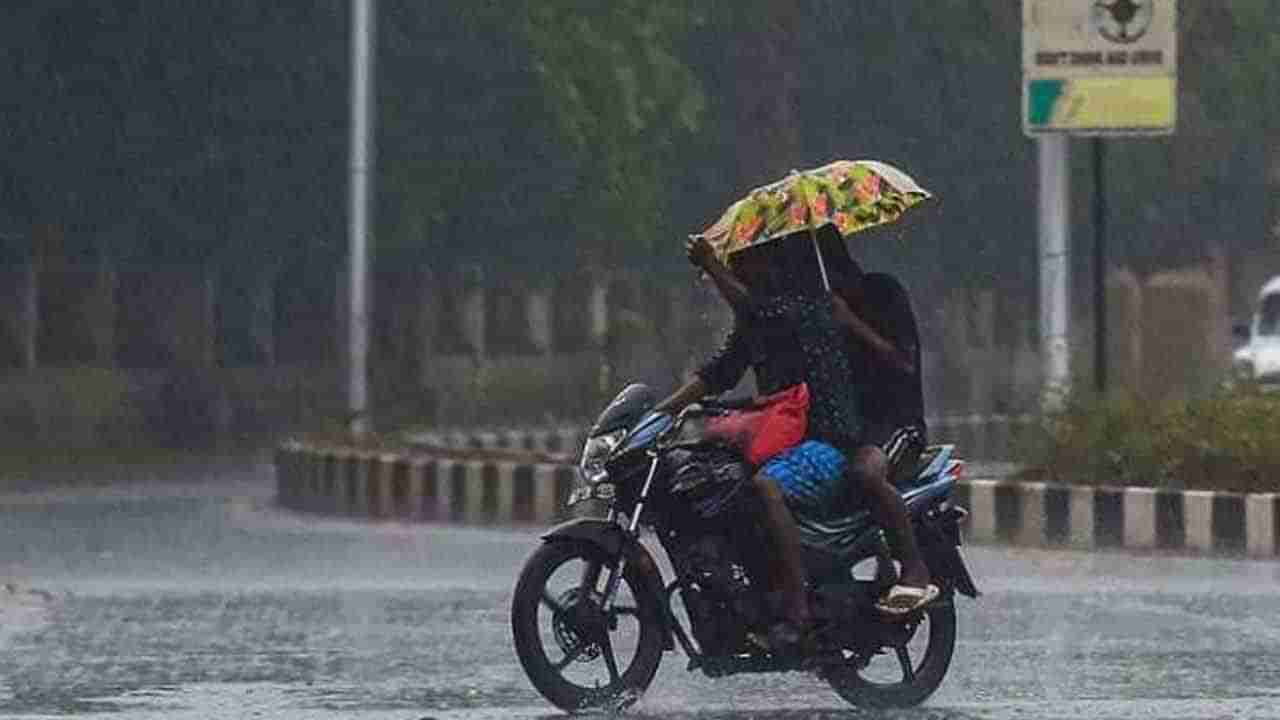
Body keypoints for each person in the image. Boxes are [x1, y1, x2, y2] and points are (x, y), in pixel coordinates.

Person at [657, 234, 860, 650]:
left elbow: (756, 310)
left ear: (773, 265)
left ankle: (797, 609)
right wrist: (660, 412)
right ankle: (750, 595)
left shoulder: (809, 308)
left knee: (764, 487)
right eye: (736, 264)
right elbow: (720, 371)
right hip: (780, 444)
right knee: (719, 485)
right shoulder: (760, 323)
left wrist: (712, 266)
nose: (740, 271)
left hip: (825, 442)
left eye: (746, 263)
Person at [818, 233, 935, 615]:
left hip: (896, 425)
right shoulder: (816, 309)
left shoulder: (883, 292)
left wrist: (851, 322)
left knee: (866, 473)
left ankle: (914, 568)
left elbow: (903, 362)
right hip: (849, 428)